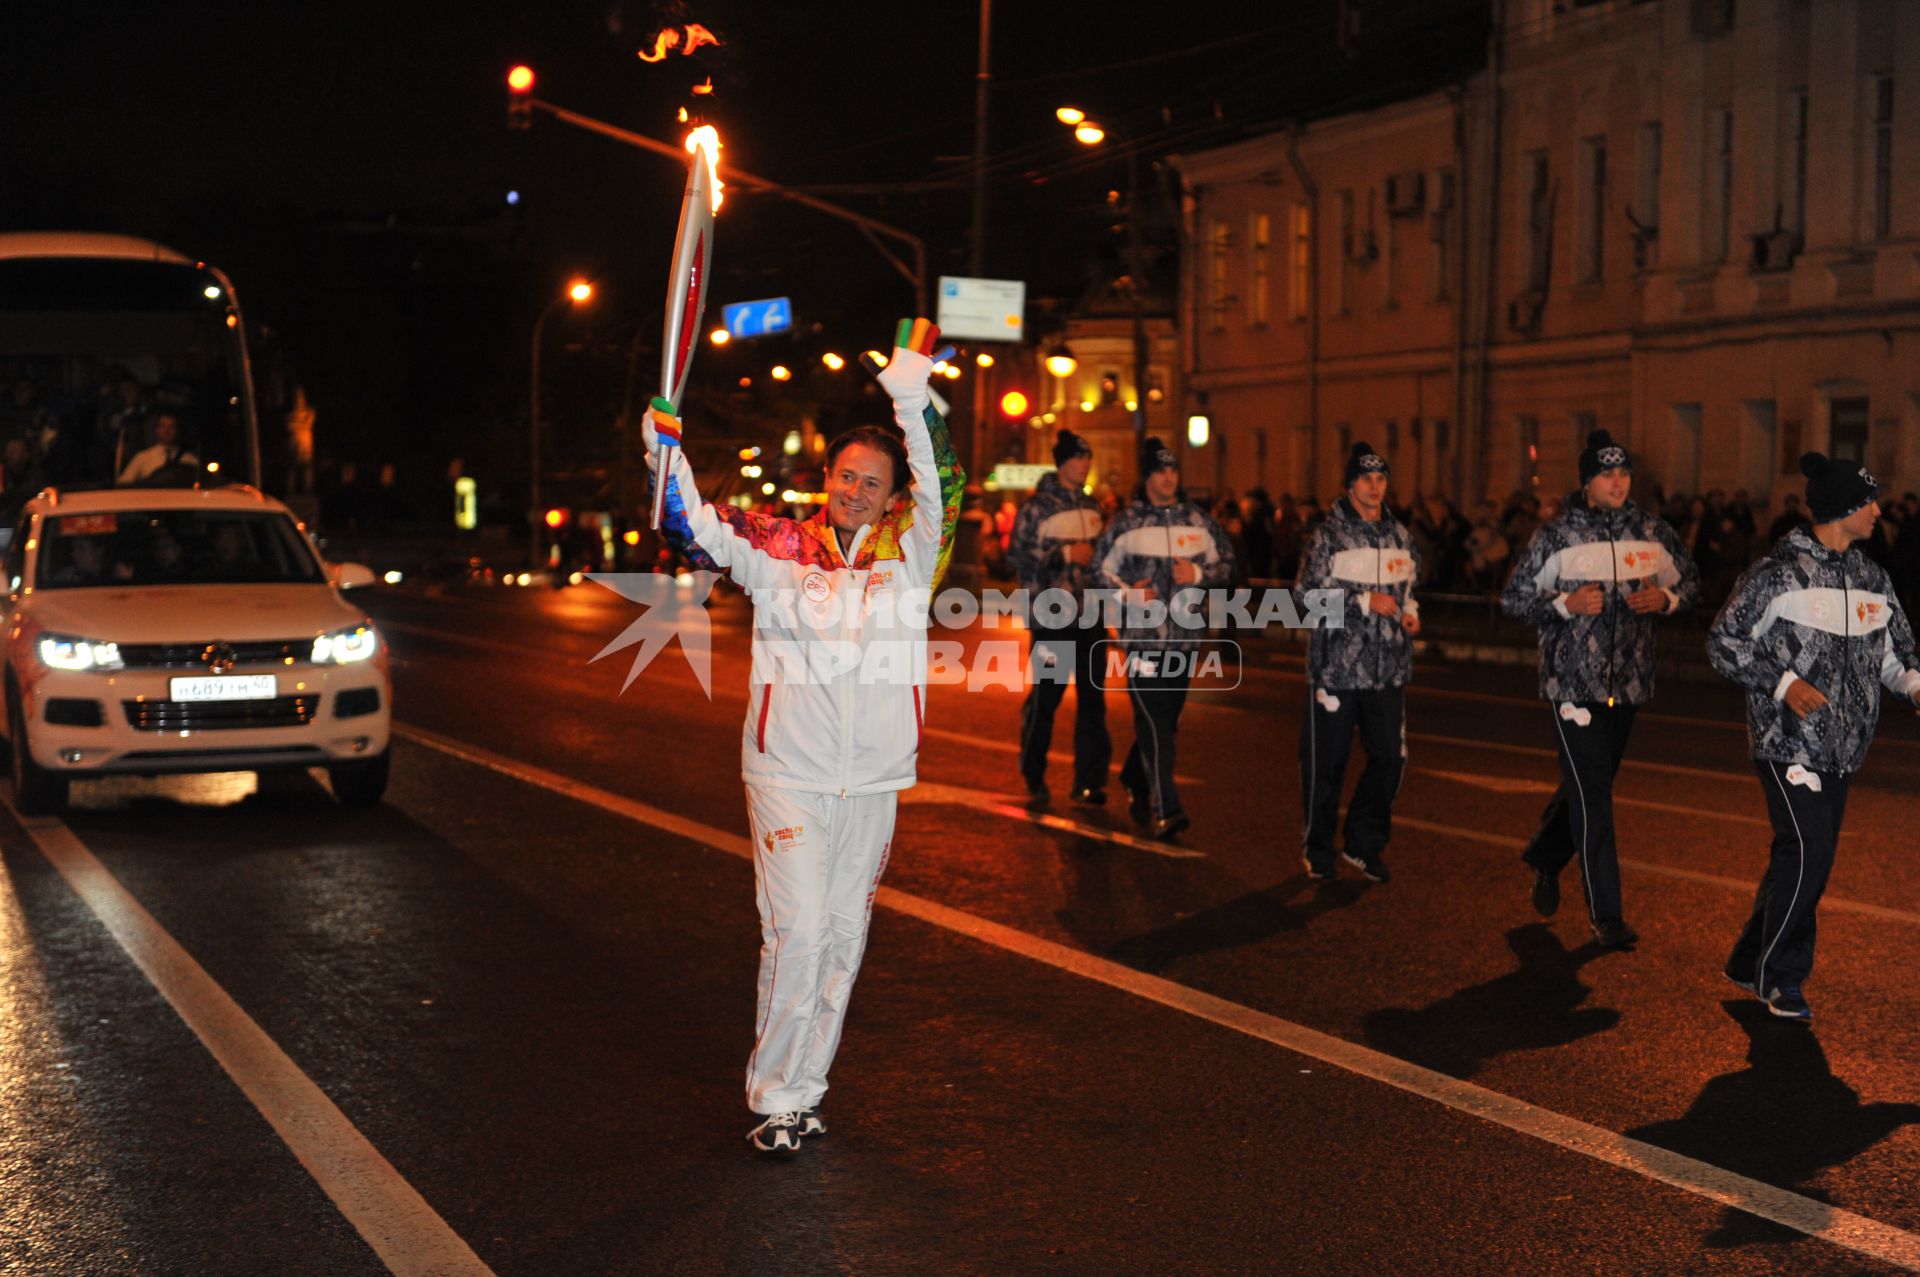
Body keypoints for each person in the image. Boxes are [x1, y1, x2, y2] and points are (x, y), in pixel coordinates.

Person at [649, 319, 962, 1156]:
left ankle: (807, 1089)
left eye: (874, 481)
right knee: (798, 930)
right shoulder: (779, 547)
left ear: (895, 495)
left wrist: (910, 398)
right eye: (846, 475)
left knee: (845, 940)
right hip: (788, 771)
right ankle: (778, 1095)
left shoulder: (915, 553)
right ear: (826, 477)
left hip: (874, 781)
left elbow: (946, 477)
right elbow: (694, 525)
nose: (857, 490)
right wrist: (664, 451)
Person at [1707, 453, 1920, 1021]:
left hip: (1844, 748)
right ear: (1841, 508)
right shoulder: (1777, 575)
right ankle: (1781, 978)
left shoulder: (1874, 578)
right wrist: (1783, 685)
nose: (1879, 511)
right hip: (1788, 739)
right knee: (1811, 854)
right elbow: (1724, 642)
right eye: (1868, 502)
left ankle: (1749, 958)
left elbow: (1896, 656)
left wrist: (1916, 685)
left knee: (1794, 855)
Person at [1501, 430, 1700, 948]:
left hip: (1628, 684)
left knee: (1589, 789)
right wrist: (1566, 605)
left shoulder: (1651, 532)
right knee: (1595, 796)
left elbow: (1692, 583)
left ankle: (1545, 856)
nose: (1618, 481)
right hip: (1571, 686)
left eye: (1624, 473)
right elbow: (1514, 601)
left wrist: (1667, 600)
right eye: (1607, 474)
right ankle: (1606, 915)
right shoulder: (1559, 535)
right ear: (1587, 483)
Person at [1093, 436, 1236, 841]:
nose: (1169, 477)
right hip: (1141, 640)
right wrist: (1126, 594)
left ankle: (1134, 777)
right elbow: (1098, 573)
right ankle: (1167, 807)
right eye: (1161, 470)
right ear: (1147, 477)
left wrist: (1199, 575)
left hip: (1186, 640)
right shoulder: (1126, 523)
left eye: (1173, 470)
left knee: (1165, 723)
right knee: (1155, 722)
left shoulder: (1198, 522)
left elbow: (1226, 562)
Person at [1297, 443, 1422, 882]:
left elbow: (1409, 590)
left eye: (1381, 478)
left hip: (1388, 669)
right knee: (1326, 763)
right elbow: (1305, 601)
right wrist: (1363, 601)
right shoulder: (1328, 537)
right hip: (1335, 668)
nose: (1375, 486)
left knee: (1391, 758)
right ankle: (1318, 848)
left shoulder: (1400, 537)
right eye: (1366, 479)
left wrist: (1410, 614)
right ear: (1350, 485)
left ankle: (1363, 844)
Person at [1006, 430, 1111, 808]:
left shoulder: (1093, 507)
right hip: (1052, 616)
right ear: (1063, 462)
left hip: (1092, 618)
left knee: (1093, 701)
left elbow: (1101, 562)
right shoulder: (1037, 508)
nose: (1085, 464)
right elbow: (1017, 555)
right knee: (1047, 698)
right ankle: (1033, 773)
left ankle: (1090, 782)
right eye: (1080, 458)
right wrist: (1063, 555)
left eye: (1088, 457)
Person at [117, 411, 199, 485]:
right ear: (156, 429)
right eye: (163, 426)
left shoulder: (190, 459)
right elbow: (124, 483)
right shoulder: (142, 458)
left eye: (172, 427)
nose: (167, 431)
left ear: (178, 430)